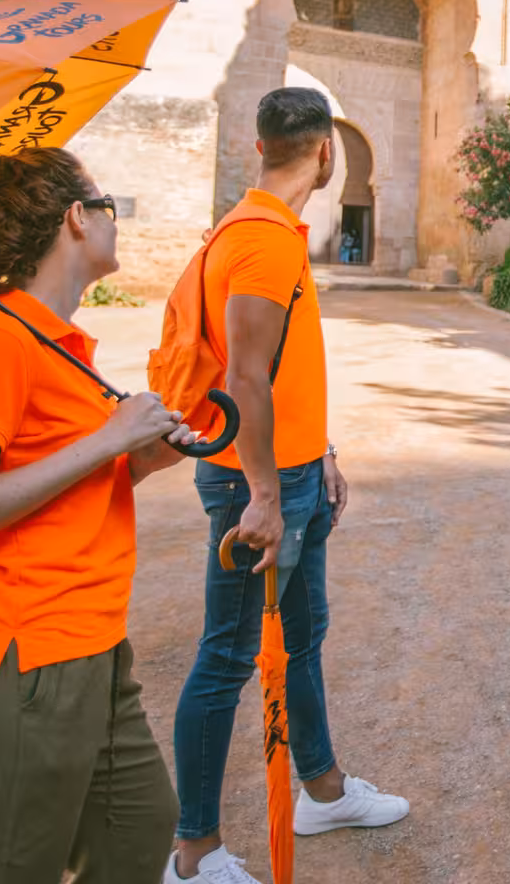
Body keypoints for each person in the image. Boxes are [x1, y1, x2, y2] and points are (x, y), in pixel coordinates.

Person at [0, 147, 203, 884]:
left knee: (136, 835)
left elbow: (56, 480)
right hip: (12, 660)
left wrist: (140, 457)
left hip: (89, 650)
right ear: (77, 217)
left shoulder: (56, 345)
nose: (113, 220)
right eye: (106, 205)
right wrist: (109, 438)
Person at [166, 88, 408, 884]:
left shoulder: (256, 231)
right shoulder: (265, 241)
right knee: (229, 656)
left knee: (301, 638)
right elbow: (243, 376)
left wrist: (321, 449)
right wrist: (265, 496)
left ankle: (323, 791)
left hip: (291, 472)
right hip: (257, 485)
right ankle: (195, 854)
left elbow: (280, 371)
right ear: (328, 153)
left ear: (258, 145)